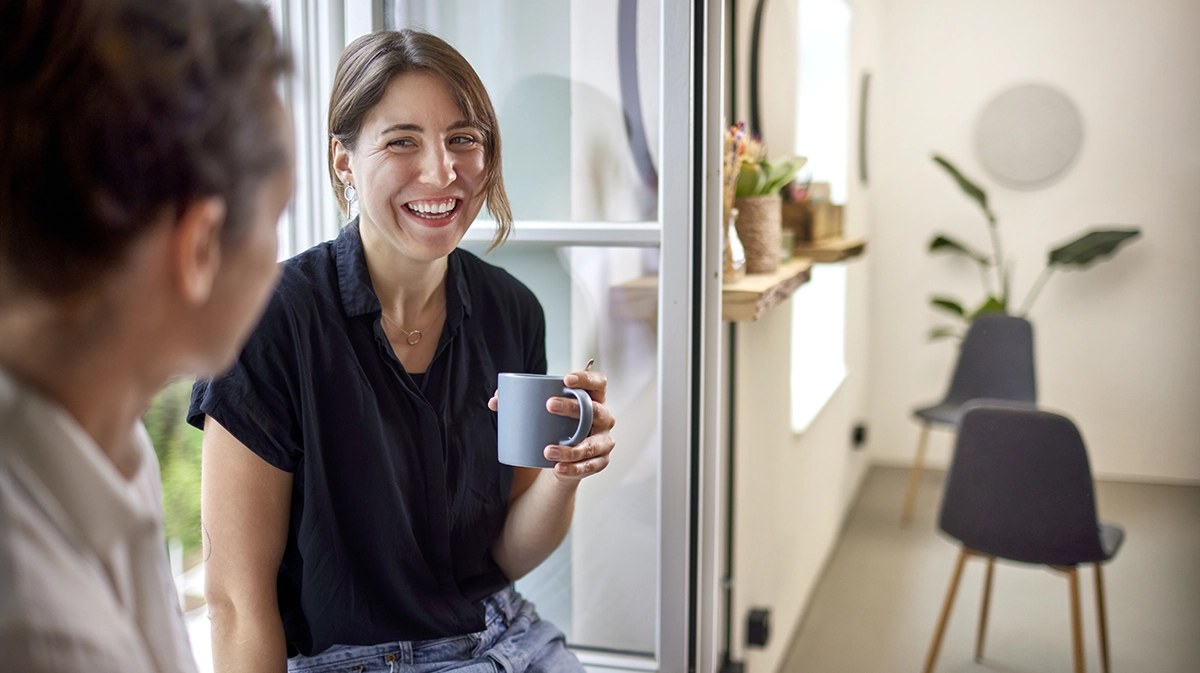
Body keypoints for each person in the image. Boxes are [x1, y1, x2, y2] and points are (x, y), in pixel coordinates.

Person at [188, 29, 616, 673]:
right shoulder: (270, 321)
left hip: (510, 639)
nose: (443, 172)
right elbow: (236, 604)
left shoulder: (512, 309)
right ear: (343, 161)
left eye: (463, 139)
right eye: (401, 142)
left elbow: (504, 557)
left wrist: (566, 472)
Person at [0, 0, 294, 671]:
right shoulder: (43, 632)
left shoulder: (108, 443)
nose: (278, 267)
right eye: (277, 215)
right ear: (199, 248)